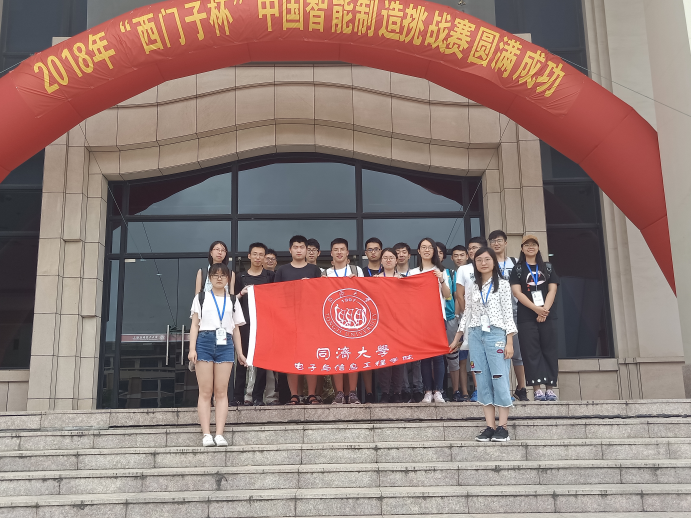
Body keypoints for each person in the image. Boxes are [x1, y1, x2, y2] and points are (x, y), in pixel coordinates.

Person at [450, 246, 516, 443]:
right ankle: (490, 426)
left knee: (499, 377)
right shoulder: (472, 286)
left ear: (494, 262)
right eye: (479, 260)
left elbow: (508, 315)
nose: (483, 263)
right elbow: (467, 314)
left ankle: (503, 427)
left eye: (487, 259)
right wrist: (457, 338)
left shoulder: (502, 284)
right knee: (482, 379)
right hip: (476, 334)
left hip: (496, 333)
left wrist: (509, 341)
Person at [188, 263, 246, 447]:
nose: (219, 278)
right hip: (204, 341)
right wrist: (192, 349)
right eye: (215, 275)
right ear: (210, 278)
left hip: (225, 343)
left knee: (221, 392)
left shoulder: (233, 300)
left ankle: (219, 434)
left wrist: (240, 352)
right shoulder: (201, 297)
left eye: (223, 275)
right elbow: (194, 325)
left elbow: (236, 329)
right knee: (205, 392)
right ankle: (206, 434)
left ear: (228, 278)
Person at [509, 235, 560, 402]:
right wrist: (536, 309)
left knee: (549, 350)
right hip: (526, 317)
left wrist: (544, 310)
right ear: (522, 249)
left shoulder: (548, 267)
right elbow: (517, 292)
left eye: (533, 244)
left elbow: (552, 290)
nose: (530, 247)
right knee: (531, 352)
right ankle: (537, 390)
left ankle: (550, 389)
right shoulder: (518, 269)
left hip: (548, 315)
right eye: (527, 245)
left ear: (538, 248)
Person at [274, 235, 324, 405]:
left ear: (306, 249)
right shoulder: (282, 270)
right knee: (292, 358)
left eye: (302, 247)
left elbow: (320, 295)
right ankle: (294, 395)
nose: (299, 250)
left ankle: (311, 394)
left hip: (310, 320)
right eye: (295, 247)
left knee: (310, 357)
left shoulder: (314, 270)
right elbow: (276, 295)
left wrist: (311, 285)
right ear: (290, 250)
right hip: (288, 320)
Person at [409, 238, 452, 404]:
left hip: (437, 318)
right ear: (419, 251)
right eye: (423, 247)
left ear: (434, 251)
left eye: (430, 247)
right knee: (425, 357)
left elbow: (448, 295)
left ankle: (438, 391)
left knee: (439, 356)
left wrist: (441, 279)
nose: (427, 250)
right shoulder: (413, 273)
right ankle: (427, 391)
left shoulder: (440, 271)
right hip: (420, 319)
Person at [233, 242, 276, 406]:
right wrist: (241, 293)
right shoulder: (240, 277)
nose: (258, 257)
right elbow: (233, 301)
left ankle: (258, 397)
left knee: (262, 362)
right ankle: (238, 396)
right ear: (249, 256)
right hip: (245, 324)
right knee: (242, 360)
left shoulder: (270, 276)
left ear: (265, 257)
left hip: (265, 324)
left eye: (261, 255)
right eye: (255, 254)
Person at [489, 230, 528, 402]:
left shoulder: (515, 262)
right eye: (493, 241)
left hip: (516, 311)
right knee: (497, 352)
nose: (496, 243)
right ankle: (500, 390)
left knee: (518, 352)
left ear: (505, 243)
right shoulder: (488, 263)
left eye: (499, 240)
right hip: (495, 313)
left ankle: (521, 388)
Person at [323, 238, 363, 404]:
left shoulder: (356, 270)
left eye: (342, 249)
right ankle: (339, 393)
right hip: (333, 320)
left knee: (353, 355)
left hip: (353, 320)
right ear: (331, 253)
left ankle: (352, 392)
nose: (339, 252)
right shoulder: (325, 273)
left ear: (347, 252)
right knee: (337, 355)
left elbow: (366, 292)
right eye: (336, 249)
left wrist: (358, 282)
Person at [455, 237, 487, 402]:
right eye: (470, 248)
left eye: (475, 247)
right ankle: (478, 389)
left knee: (492, 354)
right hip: (470, 318)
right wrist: (467, 314)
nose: (472, 251)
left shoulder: (489, 266)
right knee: (475, 353)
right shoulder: (463, 269)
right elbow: (459, 295)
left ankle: (495, 388)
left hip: (490, 318)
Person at [373, 248, 405, 403]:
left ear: (396, 260)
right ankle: (385, 392)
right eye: (385, 257)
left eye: (391, 257)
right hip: (382, 324)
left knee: (398, 359)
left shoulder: (403, 279)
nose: (388, 260)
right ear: (381, 260)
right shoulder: (375, 279)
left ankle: (397, 392)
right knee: (383, 358)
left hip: (399, 324)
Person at [392, 242, 423, 402]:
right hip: (395, 321)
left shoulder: (417, 274)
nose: (401, 255)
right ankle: (404, 389)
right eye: (398, 252)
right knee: (401, 357)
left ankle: (418, 388)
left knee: (416, 356)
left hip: (414, 320)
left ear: (410, 255)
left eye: (404, 252)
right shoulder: (389, 275)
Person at [436, 242, 461, 402]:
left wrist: (457, 315)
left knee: (453, 355)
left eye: (439, 252)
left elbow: (456, 296)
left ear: (444, 256)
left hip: (450, 317)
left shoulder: (451, 273)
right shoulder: (422, 272)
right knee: (435, 357)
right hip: (432, 320)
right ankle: (438, 390)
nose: (436, 254)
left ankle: (456, 390)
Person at [448, 245, 470, 401]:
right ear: (451, 258)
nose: (459, 258)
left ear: (467, 256)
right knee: (460, 358)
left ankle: (479, 391)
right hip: (458, 320)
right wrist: (457, 315)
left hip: (474, 320)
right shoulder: (451, 274)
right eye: (456, 255)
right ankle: (464, 392)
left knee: (475, 357)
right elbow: (456, 296)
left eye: (462, 255)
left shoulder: (474, 272)